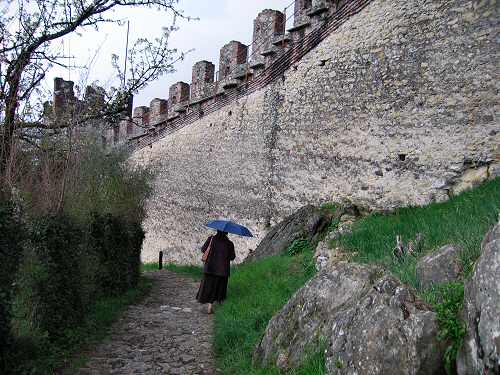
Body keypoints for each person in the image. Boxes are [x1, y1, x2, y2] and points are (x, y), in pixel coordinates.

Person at [196, 230, 236, 314]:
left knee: (210, 287)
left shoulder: (211, 239)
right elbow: (232, 257)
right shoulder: (229, 244)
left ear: (217, 231)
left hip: (210, 268)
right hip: (223, 271)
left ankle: (210, 306)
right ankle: (218, 305)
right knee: (219, 289)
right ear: (226, 233)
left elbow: (203, 249)